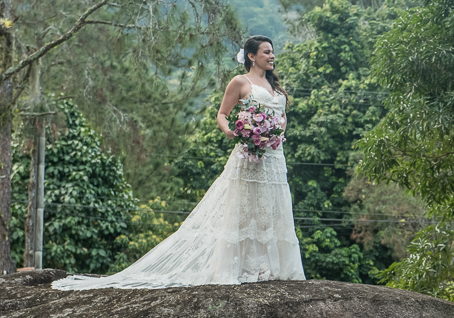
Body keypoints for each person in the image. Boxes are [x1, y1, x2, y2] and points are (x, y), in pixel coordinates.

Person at [52, 36, 306, 289]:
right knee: (244, 209)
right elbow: (222, 114)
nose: (272, 56)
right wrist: (231, 131)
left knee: (271, 209)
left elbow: (281, 117)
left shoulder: (275, 86)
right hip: (248, 156)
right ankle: (241, 267)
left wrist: (275, 133)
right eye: (266, 52)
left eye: (272, 52)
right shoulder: (240, 82)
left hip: (274, 156)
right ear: (251, 56)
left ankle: (269, 268)